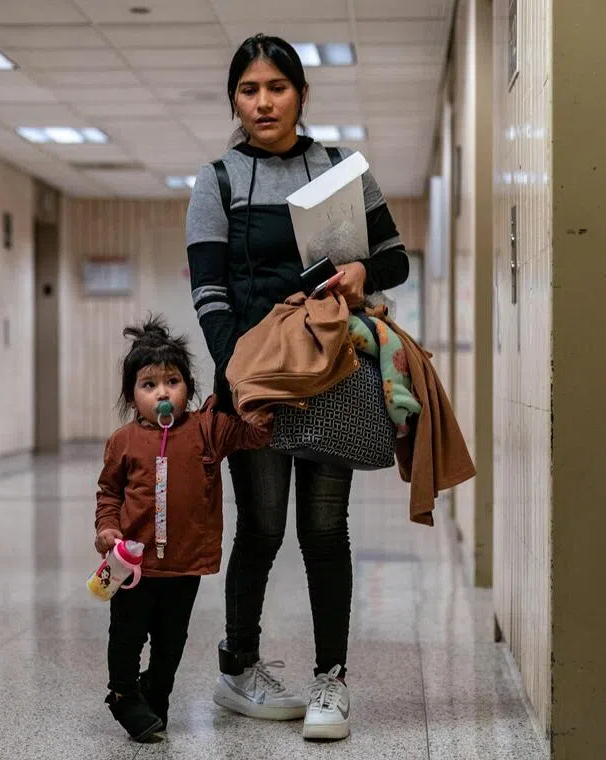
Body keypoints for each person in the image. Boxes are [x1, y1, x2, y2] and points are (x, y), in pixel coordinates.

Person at [185, 33, 410, 741]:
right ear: (235, 100)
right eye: (248, 90)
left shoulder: (342, 169)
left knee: (323, 528)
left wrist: (363, 274)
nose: (263, 102)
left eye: (276, 88)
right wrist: (235, 377)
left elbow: (396, 258)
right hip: (259, 378)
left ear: (301, 95)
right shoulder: (217, 180)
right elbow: (210, 292)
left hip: (333, 370)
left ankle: (331, 682)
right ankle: (238, 666)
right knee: (262, 526)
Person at [95, 317, 270, 741]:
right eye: (148, 384)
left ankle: (157, 692)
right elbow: (109, 493)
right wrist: (107, 528)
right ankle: (121, 693)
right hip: (133, 566)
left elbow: (255, 434)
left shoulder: (206, 430)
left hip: (184, 565)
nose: (161, 392)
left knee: (171, 642)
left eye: (172, 381)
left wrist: (256, 397)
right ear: (132, 395)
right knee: (126, 636)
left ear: (187, 387)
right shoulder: (123, 441)